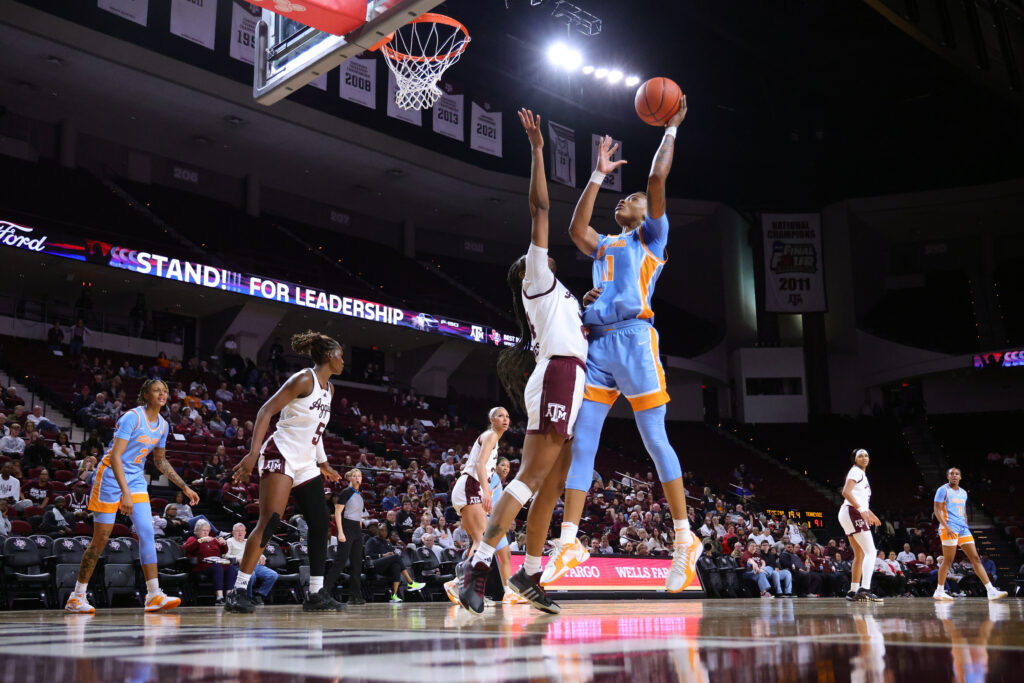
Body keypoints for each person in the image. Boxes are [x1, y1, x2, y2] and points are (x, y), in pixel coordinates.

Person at [544, 98, 700, 595]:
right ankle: (569, 540)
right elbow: (574, 230)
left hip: (635, 340)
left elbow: (655, 181)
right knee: (582, 438)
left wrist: (670, 129)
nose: (624, 202)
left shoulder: (651, 239)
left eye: (628, 199)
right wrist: (596, 176)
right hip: (598, 345)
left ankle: (683, 539)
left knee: (653, 439)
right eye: (623, 200)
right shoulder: (607, 245)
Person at [459, 110, 588, 616]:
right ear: (527, 271)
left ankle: (531, 576)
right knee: (532, 477)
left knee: (553, 483)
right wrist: (536, 148)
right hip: (558, 374)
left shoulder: (560, 296)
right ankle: (480, 563)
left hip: (566, 376)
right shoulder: (535, 275)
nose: (541, 252)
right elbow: (539, 206)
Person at [224, 332, 347, 613]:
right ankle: (239, 590)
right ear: (329, 356)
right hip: (280, 453)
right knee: (270, 520)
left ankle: (316, 593)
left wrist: (324, 462)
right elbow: (265, 411)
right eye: (340, 356)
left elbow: (316, 430)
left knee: (319, 522)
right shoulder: (305, 379)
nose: (343, 362)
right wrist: (253, 453)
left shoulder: (330, 389)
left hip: (306, 462)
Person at [65, 379, 199, 614]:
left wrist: (184, 487)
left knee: (147, 531)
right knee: (100, 540)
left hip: (135, 478)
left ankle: (154, 594)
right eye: (157, 390)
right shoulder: (132, 417)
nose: (162, 394)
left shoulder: (163, 426)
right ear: (145, 395)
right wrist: (124, 493)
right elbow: (116, 456)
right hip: (109, 477)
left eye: (165, 391)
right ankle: (77, 596)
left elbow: (160, 461)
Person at [445, 407, 509, 602]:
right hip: (470, 487)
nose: (505, 419)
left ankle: (460, 584)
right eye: (500, 416)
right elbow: (480, 464)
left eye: (507, 416)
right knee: (482, 541)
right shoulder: (490, 435)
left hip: (470, 488)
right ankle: (460, 583)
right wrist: (485, 492)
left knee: (480, 541)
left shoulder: (494, 440)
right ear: (492, 419)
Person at [933, 467, 1007, 601]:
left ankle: (991, 591)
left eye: (957, 474)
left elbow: (964, 511)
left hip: (962, 528)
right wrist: (946, 526)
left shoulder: (963, 493)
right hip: (949, 527)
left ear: (960, 477)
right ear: (948, 477)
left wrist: (965, 522)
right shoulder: (942, 490)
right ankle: (939, 590)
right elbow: (937, 510)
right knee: (948, 560)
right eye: (951, 474)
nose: (954, 476)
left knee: (976, 558)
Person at [839, 449, 883, 603]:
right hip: (851, 512)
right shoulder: (856, 471)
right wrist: (861, 511)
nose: (864, 458)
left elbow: (860, 499)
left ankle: (853, 590)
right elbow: (846, 492)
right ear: (854, 459)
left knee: (860, 554)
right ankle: (865, 589)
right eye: (860, 456)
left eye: (866, 455)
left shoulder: (861, 475)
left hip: (848, 513)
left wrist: (870, 513)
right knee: (871, 551)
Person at [325, 468, 366, 604]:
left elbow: (359, 513)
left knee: (357, 563)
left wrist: (359, 526)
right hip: (346, 527)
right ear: (350, 479)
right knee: (340, 561)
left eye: (359, 476)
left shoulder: (360, 494)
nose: (357, 478)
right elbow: (337, 513)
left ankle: (355, 596)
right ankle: (324, 592)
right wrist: (340, 532)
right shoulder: (346, 492)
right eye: (354, 476)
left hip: (356, 529)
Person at [364, 523, 425, 602]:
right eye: (382, 530)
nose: (384, 532)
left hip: (384, 568)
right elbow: (367, 555)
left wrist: (390, 555)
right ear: (378, 531)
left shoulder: (387, 542)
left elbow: (392, 556)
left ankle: (394, 595)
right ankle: (410, 582)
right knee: (396, 557)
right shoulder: (372, 540)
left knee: (396, 565)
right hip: (373, 565)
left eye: (386, 530)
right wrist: (383, 555)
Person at [184, 519, 237, 605]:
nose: (205, 533)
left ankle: (229, 596)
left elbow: (224, 551)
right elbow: (187, 548)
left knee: (230, 568)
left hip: (216, 562)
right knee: (217, 567)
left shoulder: (213, 540)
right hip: (202, 565)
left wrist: (224, 544)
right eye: (203, 530)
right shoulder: (192, 539)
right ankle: (219, 597)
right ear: (197, 531)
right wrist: (199, 541)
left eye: (207, 531)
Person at [225, 523, 277, 604]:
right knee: (250, 576)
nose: (240, 533)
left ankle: (260, 594)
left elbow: (258, 552)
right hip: (241, 565)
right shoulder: (229, 541)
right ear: (233, 532)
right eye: (237, 531)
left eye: (242, 531)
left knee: (273, 575)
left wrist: (262, 556)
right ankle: (248, 597)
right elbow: (225, 555)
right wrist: (237, 559)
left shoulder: (248, 541)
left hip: (255, 564)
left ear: (245, 533)